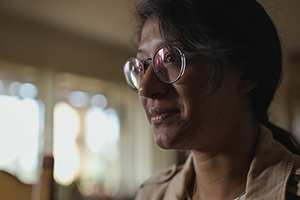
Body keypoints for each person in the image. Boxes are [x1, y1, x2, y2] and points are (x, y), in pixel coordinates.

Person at [121, 0, 300, 199]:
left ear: (246, 74)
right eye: (143, 67)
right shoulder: (151, 195)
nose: (145, 88)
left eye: (171, 58)